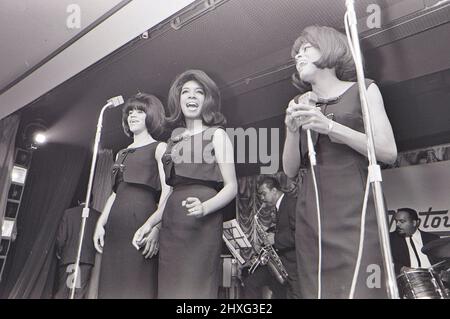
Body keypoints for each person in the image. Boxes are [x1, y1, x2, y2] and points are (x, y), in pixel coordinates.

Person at [282, 26, 397, 298]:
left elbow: (388, 152)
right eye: (296, 53)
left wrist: (330, 127)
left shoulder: (364, 89)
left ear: (330, 49)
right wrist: (291, 129)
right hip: (312, 211)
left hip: (355, 206)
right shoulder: (297, 102)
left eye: (306, 49)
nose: (298, 56)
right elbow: (289, 169)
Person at [153, 69, 237, 298]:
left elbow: (231, 187)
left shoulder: (217, 135)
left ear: (207, 99)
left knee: (196, 290)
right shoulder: (172, 141)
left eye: (199, 92)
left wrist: (205, 207)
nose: (191, 96)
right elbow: (168, 192)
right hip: (172, 224)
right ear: (178, 100)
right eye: (186, 92)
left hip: (203, 225)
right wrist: (149, 225)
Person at [93, 93, 171, 298]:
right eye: (130, 112)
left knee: (136, 285)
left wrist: (156, 228)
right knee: (111, 285)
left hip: (141, 224)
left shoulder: (159, 148)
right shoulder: (121, 153)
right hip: (116, 228)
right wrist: (100, 223)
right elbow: (114, 193)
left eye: (140, 111)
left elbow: (167, 191)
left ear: (151, 116)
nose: (133, 116)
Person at [242, 177, 300, 299]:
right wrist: (264, 246)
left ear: (274, 190)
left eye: (264, 194)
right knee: (250, 283)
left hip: (291, 266)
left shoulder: (292, 203)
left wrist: (275, 239)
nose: (262, 199)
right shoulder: (279, 207)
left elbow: (300, 235)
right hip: (279, 264)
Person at [54, 200, 100, 299]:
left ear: (78, 201)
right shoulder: (97, 216)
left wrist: (59, 252)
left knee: (63, 291)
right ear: (91, 202)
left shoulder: (69, 213)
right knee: (79, 292)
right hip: (86, 259)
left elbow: (61, 238)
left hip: (68, 257)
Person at [390, 208, 440, 275]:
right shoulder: (390, 239)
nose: (397, 224)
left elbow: (442, 262)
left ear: (414, 223)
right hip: (407, 281)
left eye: (402, 221)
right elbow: (385, 262)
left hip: (433, 280)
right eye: (396, 221)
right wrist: (401, 268)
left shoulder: (432, 238)